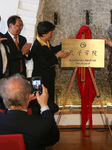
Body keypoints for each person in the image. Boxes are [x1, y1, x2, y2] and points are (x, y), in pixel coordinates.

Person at [0, 74, 59, 150]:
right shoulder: (42, 124)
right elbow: (54, 138)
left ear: (4, 98)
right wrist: (44, 105)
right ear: (29, 96)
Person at [30, 21, 69, 114]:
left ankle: (49, 122)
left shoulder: (45, 42)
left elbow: (52, 50)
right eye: (50, 32)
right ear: (43, 34)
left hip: (49, 77)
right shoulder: (36, 47)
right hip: (42, 79)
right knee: (44, 103)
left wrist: (67, 43)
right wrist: (57, 57)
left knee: (50, 100)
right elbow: (44, 64)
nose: (52, 34)